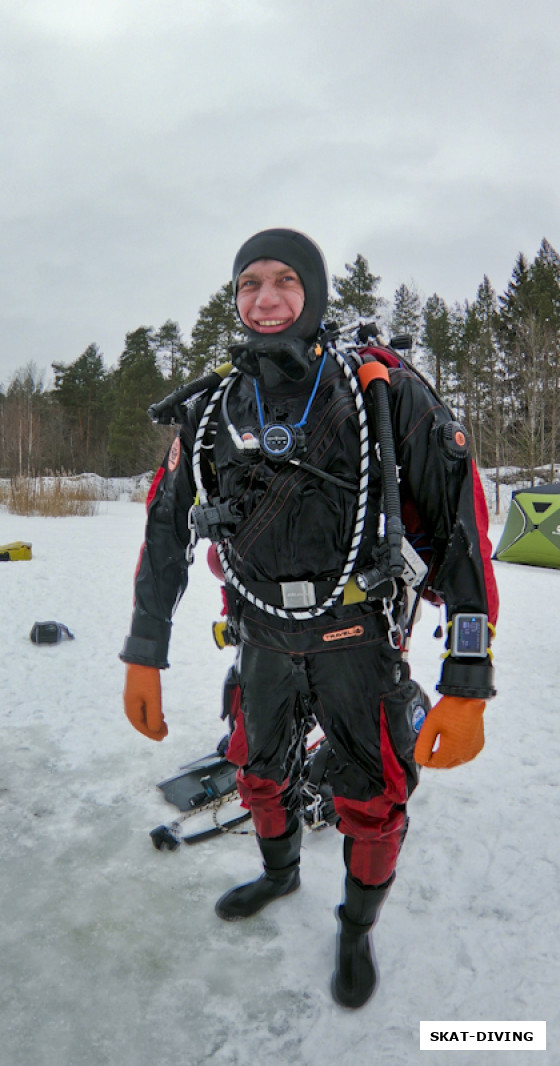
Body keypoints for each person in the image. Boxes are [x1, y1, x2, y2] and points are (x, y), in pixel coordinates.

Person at [120, 228, 499, 1009]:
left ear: (315, 294)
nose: (265, 298)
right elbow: (165, 529)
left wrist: (467, 679)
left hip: (355, 641)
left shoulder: (379, 392)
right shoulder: (213, 411)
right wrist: (144, 649)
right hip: (260, 638)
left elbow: (464, 537)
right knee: (260, 774)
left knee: (372, 794)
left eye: (285, 280)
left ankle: (356, 926)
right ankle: (278, 874)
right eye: (248, 283)